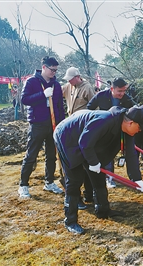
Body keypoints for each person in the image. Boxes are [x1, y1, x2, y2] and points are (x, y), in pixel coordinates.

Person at [53, 106, 143, 234]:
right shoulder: (105, 120)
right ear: (130, 123)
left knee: (98, 174)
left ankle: (103, 210)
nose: (140, 131)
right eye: (139, 127)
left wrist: (137, 179)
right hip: (67, 137)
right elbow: (85, 143)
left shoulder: (127, 131)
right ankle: (70, 221)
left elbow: (131, 154)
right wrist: (93, 162)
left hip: (87, 142)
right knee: (75, 179)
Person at [18, 56, 65, 198]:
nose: (54, 73)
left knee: (51, 155)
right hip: (37, 123)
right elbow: (24, 100)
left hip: (53, 123)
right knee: (31, 155)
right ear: (44, 67)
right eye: (52, 70)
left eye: (56, 70)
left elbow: (59, 106)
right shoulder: (31, 81)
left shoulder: (56, 84)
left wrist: (61, 124)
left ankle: (49, 182)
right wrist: (42, 95)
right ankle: (23, 185)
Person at [87, 77, 136, 189]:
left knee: (121, 152)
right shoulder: (101, 96)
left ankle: (134, 178)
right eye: (120, 91)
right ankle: (109, 177)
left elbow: (134, 110)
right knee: (105, 154)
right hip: (103, 131)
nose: (122, 93)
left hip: (119, 131)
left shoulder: (126, 99)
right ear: (112, 88)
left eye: (124, 91)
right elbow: (89, 108)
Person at [62, 66, 96, 209]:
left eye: (71, 79)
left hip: (83, 127)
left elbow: (95, 106)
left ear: (77, 77)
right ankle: (80, 193)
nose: (69, 81)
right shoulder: (69, 86)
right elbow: (58, 90)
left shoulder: (87, 88)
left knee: (84, 161)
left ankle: (89, 193)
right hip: (71, 126)